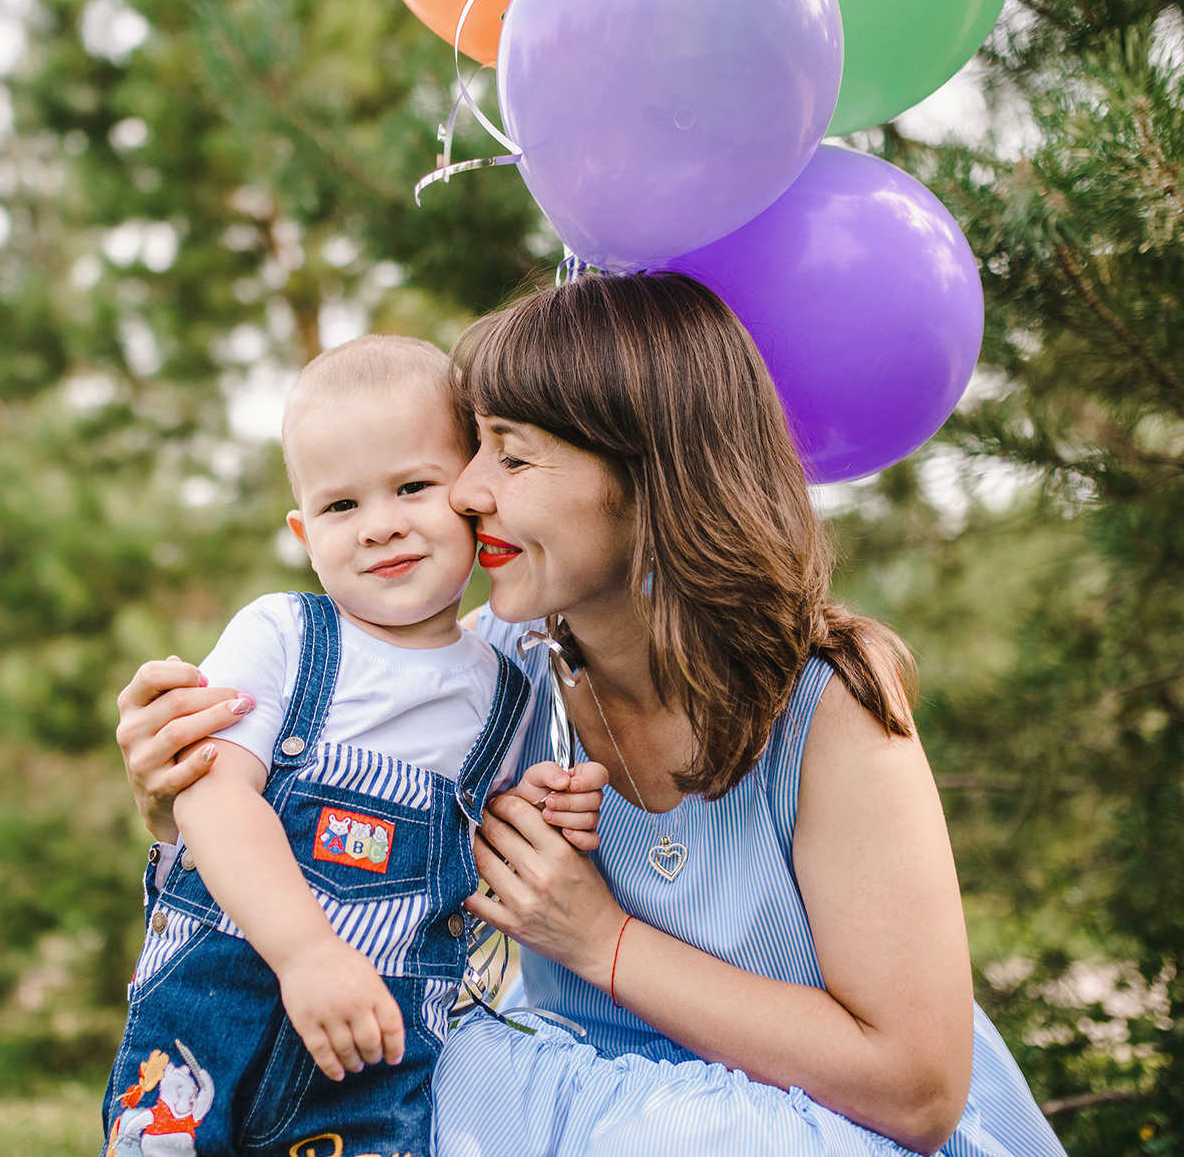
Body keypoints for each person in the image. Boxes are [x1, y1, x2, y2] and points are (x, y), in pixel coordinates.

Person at [117, 272, 1066, 1157]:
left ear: (648, 476)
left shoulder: (829, 704)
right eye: (474, 447)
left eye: (512, 455)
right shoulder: (493, 672)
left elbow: (916, 1087)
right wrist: (178, 791)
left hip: (814, 1121)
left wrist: (602, 939)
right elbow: (311, 818)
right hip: (583, 1092)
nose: (467, 490)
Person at [103, 334, 608, 1157]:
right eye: (342, 506)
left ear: (472, 499)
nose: (380, 526)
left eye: (413, 487)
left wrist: (540, 808)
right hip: (212, 1020)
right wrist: (307, 954)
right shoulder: (282, 635)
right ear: (305, 530)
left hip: (374, 1054)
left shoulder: (504, 692)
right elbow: (211, 794)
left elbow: (475, 847)